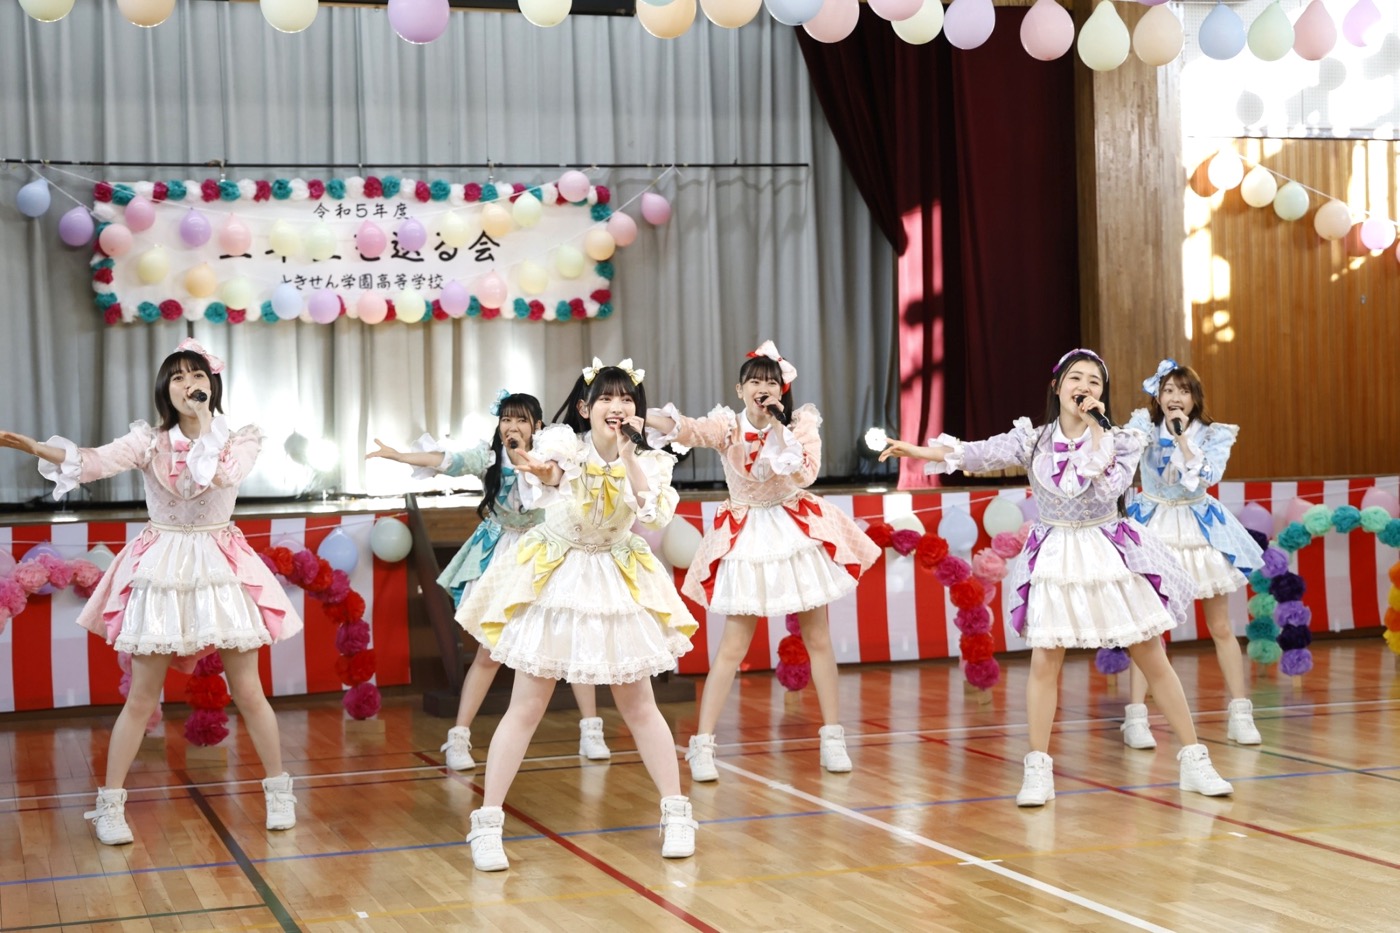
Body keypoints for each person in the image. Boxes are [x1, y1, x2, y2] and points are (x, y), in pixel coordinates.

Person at [879, 349, 1233, 806]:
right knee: (1046, 659)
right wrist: (916, 451)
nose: (1084, 386)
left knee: (1150, 652)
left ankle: (1194, 760)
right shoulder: (1033, 440)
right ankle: (1038, 770)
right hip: (1055, 556)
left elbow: (1111, 487)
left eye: (1094, 381)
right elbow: (975, 453)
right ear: (1057, 386)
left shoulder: (1122, 441)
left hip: (1108, 551)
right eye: (1076, 378)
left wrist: (1099, 433)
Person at [0, 340, 302, 843]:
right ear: (165, 388)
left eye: (197, 375)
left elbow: (220, 476)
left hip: (221, 567)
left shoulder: (239, 440)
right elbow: (92, 461)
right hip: (161, 568)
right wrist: (35, 447)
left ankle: (278, 792)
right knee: (141, 698)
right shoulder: (149, 441)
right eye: (178, 376)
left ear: (212, 385)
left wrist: (205, 426)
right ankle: (109, 806)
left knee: (248, 691)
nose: (189, 384)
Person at [455, 359, 698, 870]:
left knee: (639, 705)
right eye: (606, 398)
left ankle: (677, 813)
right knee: (527, 705)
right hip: (558, 573)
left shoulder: (650, 461)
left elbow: (652, 512)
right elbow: (552, 473)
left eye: (626, 398)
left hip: (615, 575)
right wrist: (539, 469)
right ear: (586, 409)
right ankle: (487, 824)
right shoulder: (566, 444)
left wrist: (629, 456)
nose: (617, 406)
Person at [645, 340, 880, 780]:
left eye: (771, 382)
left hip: (796, 529)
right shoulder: (727, 427)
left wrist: (781, 429)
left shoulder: (799, 424)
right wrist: (641, 416)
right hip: (747, 534)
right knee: (733, 646)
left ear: (781, 390)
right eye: (754, 381)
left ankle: (833, 738)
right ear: (740, 389)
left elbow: (806, 473)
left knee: (818, 638)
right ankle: (702, 745)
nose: (763, 388)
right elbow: (688, 430)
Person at [366, 389, 610, 770]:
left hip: (544, 554)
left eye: (521, 420)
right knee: (488, 652)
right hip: (502, 556)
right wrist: (399, 456)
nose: (512, 426)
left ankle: (591, 730)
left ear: (537, 426)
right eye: (506, 419)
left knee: (568, 643)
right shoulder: (490, 458)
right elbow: (445, 460)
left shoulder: (551, 457)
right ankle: (458, 738)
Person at [1121, 360, 1265, 747]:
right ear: (1157, 396)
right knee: (1148, 630)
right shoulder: (1143, 426)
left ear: (1195, 398)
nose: (1175, 397)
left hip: (1199, 527)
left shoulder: (1213, 435)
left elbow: (1208, 476)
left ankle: (1240, 714)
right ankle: (1136, 719)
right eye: (1168, 389)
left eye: (1183, 390)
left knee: (1220, 626)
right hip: (1153, 525)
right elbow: (1120, 452)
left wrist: (1183, 439)